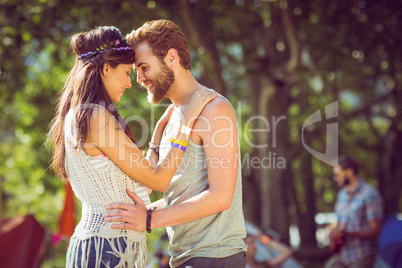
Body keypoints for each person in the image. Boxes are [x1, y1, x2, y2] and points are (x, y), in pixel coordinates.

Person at [48, 26, 216, 268]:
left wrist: (157, 135)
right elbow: (158, 182)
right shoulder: (96, 118)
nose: (130, 83)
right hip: (107, 248)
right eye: (127, 72)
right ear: (106, 69)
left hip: (104, 245)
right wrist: (186, 126)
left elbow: (145, 177)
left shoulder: (82, 114)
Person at [103, 19, 248, 268]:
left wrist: (148, 220)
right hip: (187, 257)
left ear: (171, 58)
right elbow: (180, 195)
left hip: (215, 256)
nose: (139, 78)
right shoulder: (174, 116)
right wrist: (144, 213)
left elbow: (221, 196)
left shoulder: (214, 109)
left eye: (144, 67)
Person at [324, 156, 383, 268]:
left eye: (337, 174)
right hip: (343, 254)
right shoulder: (342, 195)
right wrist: (333, 234)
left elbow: (375, 231)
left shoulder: (370, 195)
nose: (335, 178)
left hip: (362, 255)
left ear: (349, 172)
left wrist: (349, 233)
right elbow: (339, 222)